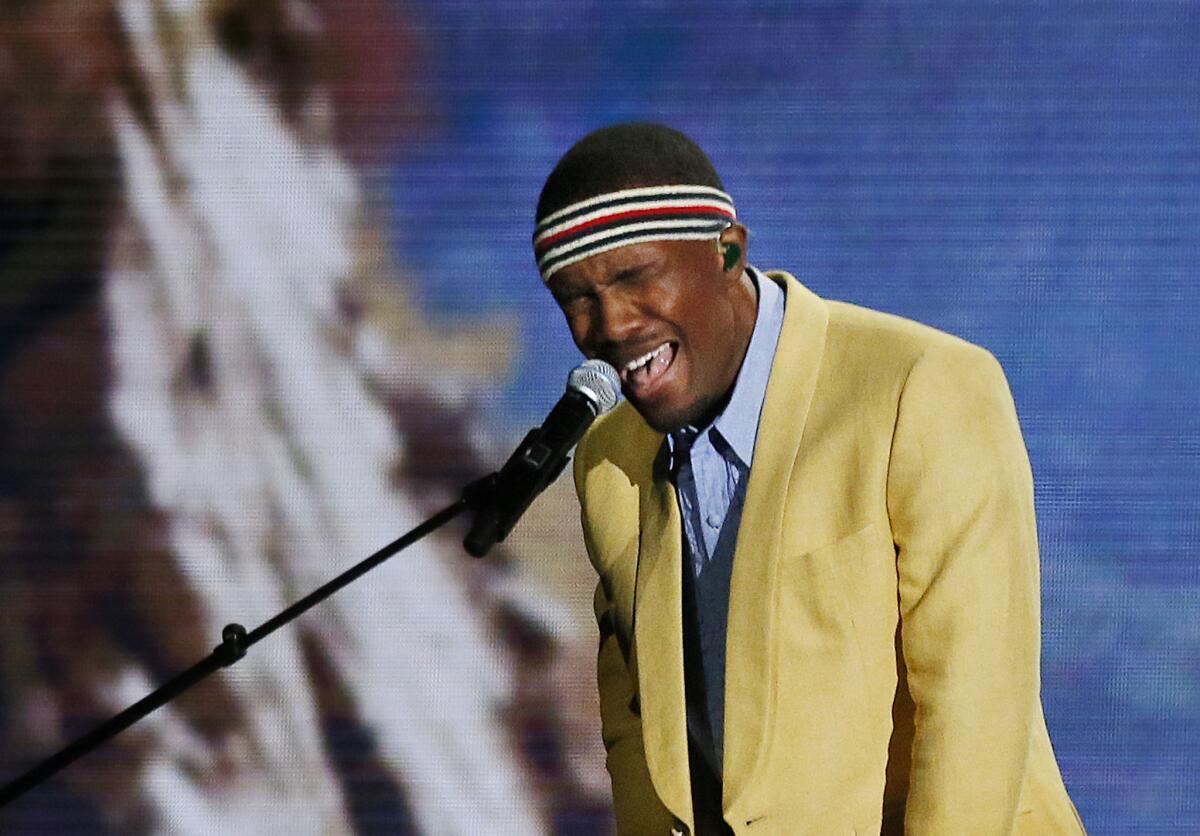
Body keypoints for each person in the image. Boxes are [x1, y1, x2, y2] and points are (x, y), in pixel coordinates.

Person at [535, 123, 1086, 835]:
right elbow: (635, 733)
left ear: (727, 252)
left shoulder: (922, 387)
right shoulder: (609, 459)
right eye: (574, 299)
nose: (608, 323)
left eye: (634, 278)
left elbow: (975, 706)